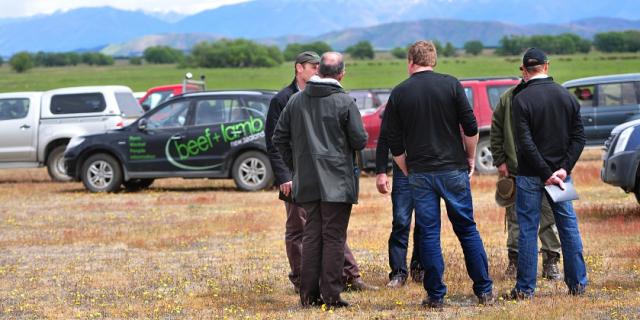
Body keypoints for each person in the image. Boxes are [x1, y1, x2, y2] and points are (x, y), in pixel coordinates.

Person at [384, 40, 494, 308]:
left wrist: (406, 168)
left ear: (410, 61)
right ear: (433, 60)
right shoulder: (451, 84)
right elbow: (470, 126)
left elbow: (393, 139)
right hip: (453, 169)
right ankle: (484, 290)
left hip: (420, 173)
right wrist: (470, 157)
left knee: (429, 234)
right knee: (467, 229)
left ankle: (435, 295)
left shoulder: (399, 93)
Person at [264, 51, 376, 294]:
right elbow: (359, 140)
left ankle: (308, 294)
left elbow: (278, 138)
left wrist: (297, 167)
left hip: (306, 182)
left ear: (320, 71)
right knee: (333, 237)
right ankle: (332, 293)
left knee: (312, 236)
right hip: (336, 181)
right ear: (341, 74)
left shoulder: (296, 100)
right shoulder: (343, 101)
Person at [508, 48, 587, 299]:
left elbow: (525, 143)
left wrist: (545, 173)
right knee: (568, 226)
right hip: (562, 178)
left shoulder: (520, 100)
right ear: (547, 66)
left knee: (529, 229)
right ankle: (577, 285)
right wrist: (563, 169)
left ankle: (525, 289)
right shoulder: (567, 96)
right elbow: (579, 138)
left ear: (524, 70)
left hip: (532, 176)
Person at [490, 73, 562, 280]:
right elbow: (496, 130)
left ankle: (551, 262)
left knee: (549, 217)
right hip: (516, 169)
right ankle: (515, 261)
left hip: (549, 170)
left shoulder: (552, 95)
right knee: (515, 218)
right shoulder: (508, 98)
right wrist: (500, 160)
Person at [375, 106, 424, 288]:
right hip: (403, 168)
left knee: (425, 221)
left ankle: (420, 268)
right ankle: (398, 273)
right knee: (401, 221)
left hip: (427, 166)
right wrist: (381, 171)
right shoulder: (400, 98)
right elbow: (384, 138)